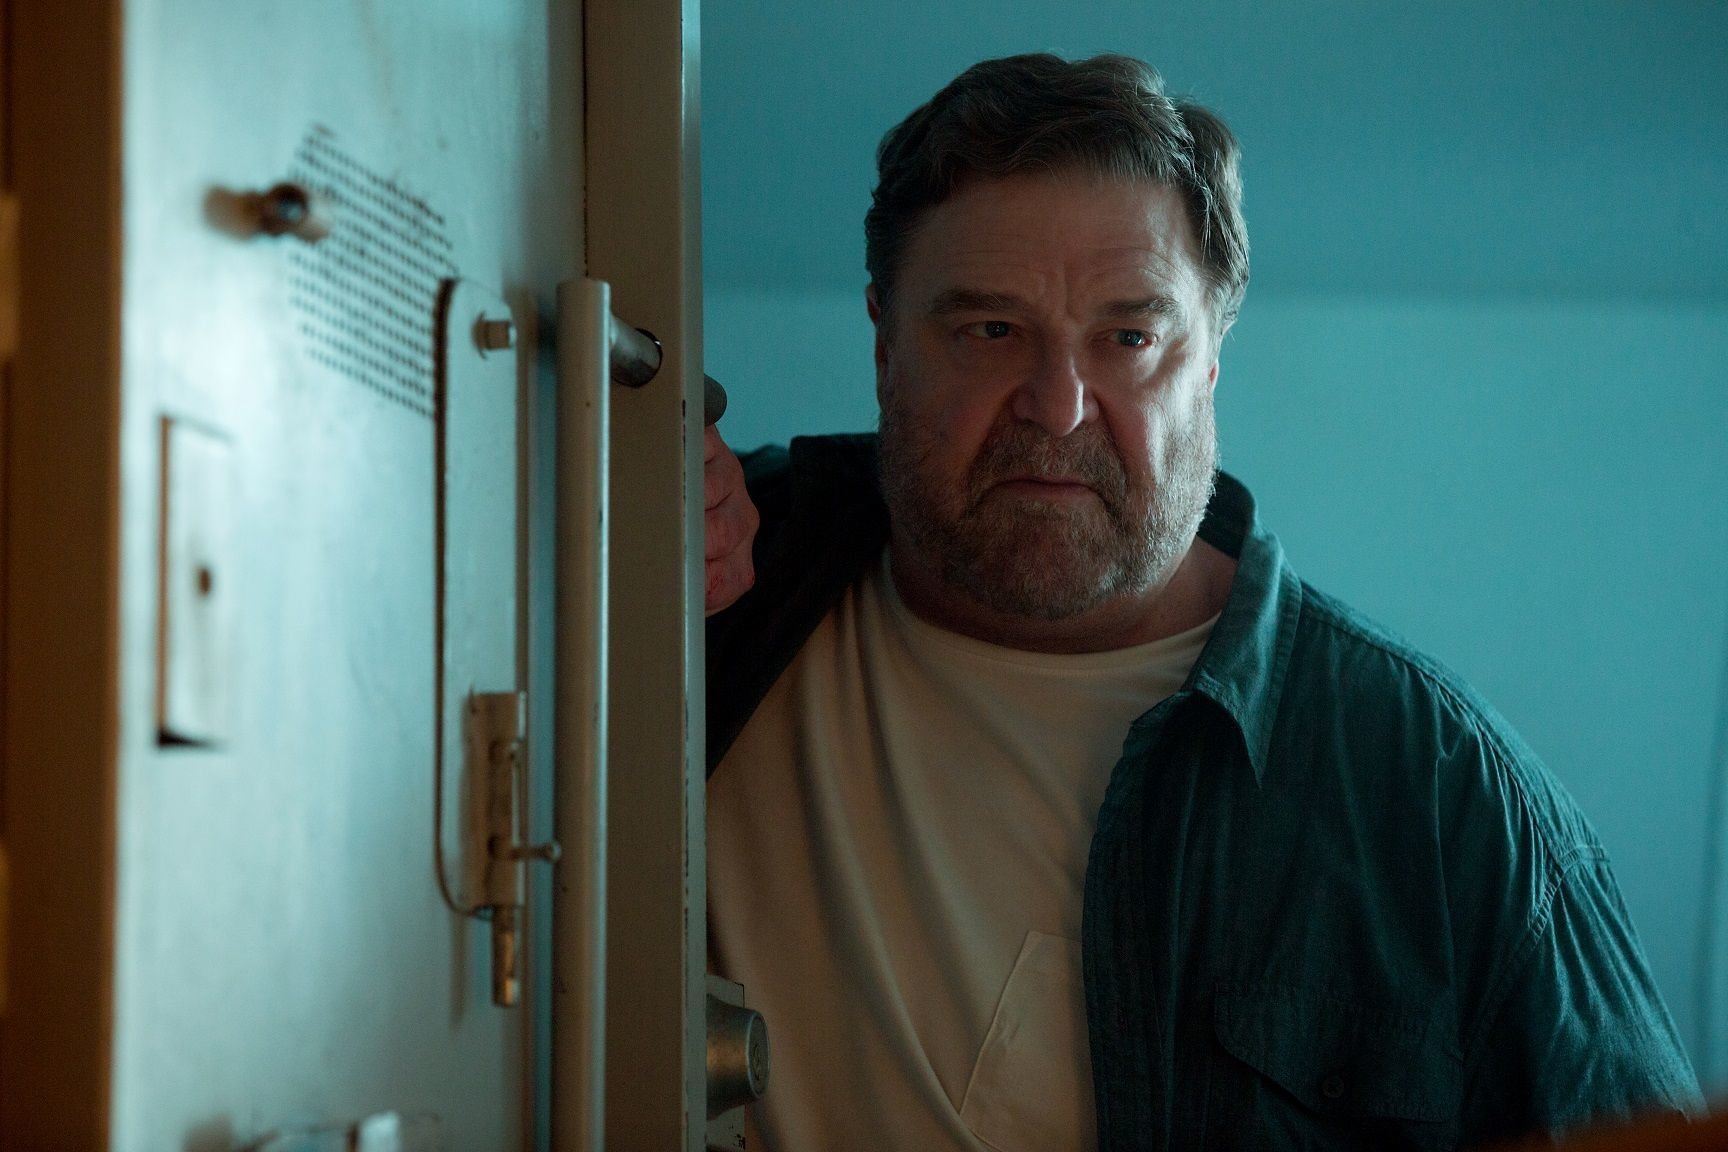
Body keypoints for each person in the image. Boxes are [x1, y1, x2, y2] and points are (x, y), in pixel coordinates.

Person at [698, 52, 1703, 1151]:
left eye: (1128, 338)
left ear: (1212, 361)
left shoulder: (1444, 795)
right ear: (887, 343)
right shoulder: (704, 584)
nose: (1058, 407)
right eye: (990, 330)